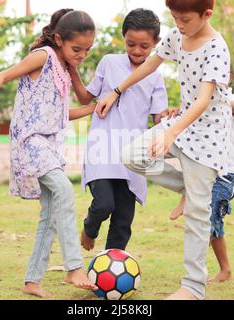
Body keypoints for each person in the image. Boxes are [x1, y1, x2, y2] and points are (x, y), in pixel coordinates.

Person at [96, 0, 232, 300]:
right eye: (174, 17)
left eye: (184, 19)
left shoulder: (217, 49)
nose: (179, 24)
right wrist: (116, 91)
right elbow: (150, 65)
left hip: (206, 137)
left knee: (198, 214)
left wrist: (171, 130)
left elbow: (203, 100)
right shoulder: (176, 36)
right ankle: (190, 187)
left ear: (206, 14)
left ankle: (193, 288)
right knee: (132, 156)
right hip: (180, 126)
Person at [0, 9, 98, 298]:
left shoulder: (65, 66)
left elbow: (73, 106)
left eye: (88, 50)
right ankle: (74, 267)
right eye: (77, 49)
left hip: (50, 146)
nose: (82, 54)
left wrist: (91, 98)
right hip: (30, 141)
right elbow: (1, 75)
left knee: (51, 213)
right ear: (58, 39)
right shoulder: (43, 56)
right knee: (64, 191)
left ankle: (32, 281)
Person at [68, 8, 177, 252]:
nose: (137, 51)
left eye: (144, 46)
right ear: (123, 38)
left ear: (157, 43)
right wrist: (73, 68)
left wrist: (168, 115)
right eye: (131, 44)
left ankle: (110, 268)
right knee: (103, 204)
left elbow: (158, 117)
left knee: (124, 220)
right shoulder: (109, 63)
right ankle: (89, 228)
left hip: (132, 154)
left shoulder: (155, 77)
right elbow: (87, 97)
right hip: (103, 149)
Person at [170, 88, 234, 285]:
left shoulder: (231, 99)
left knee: (209, 221)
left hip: (225, 173)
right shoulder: (196, 105)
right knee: (213, 223)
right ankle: (225, 269)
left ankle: (197, 278)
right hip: (205, 166)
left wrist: (211, 101)